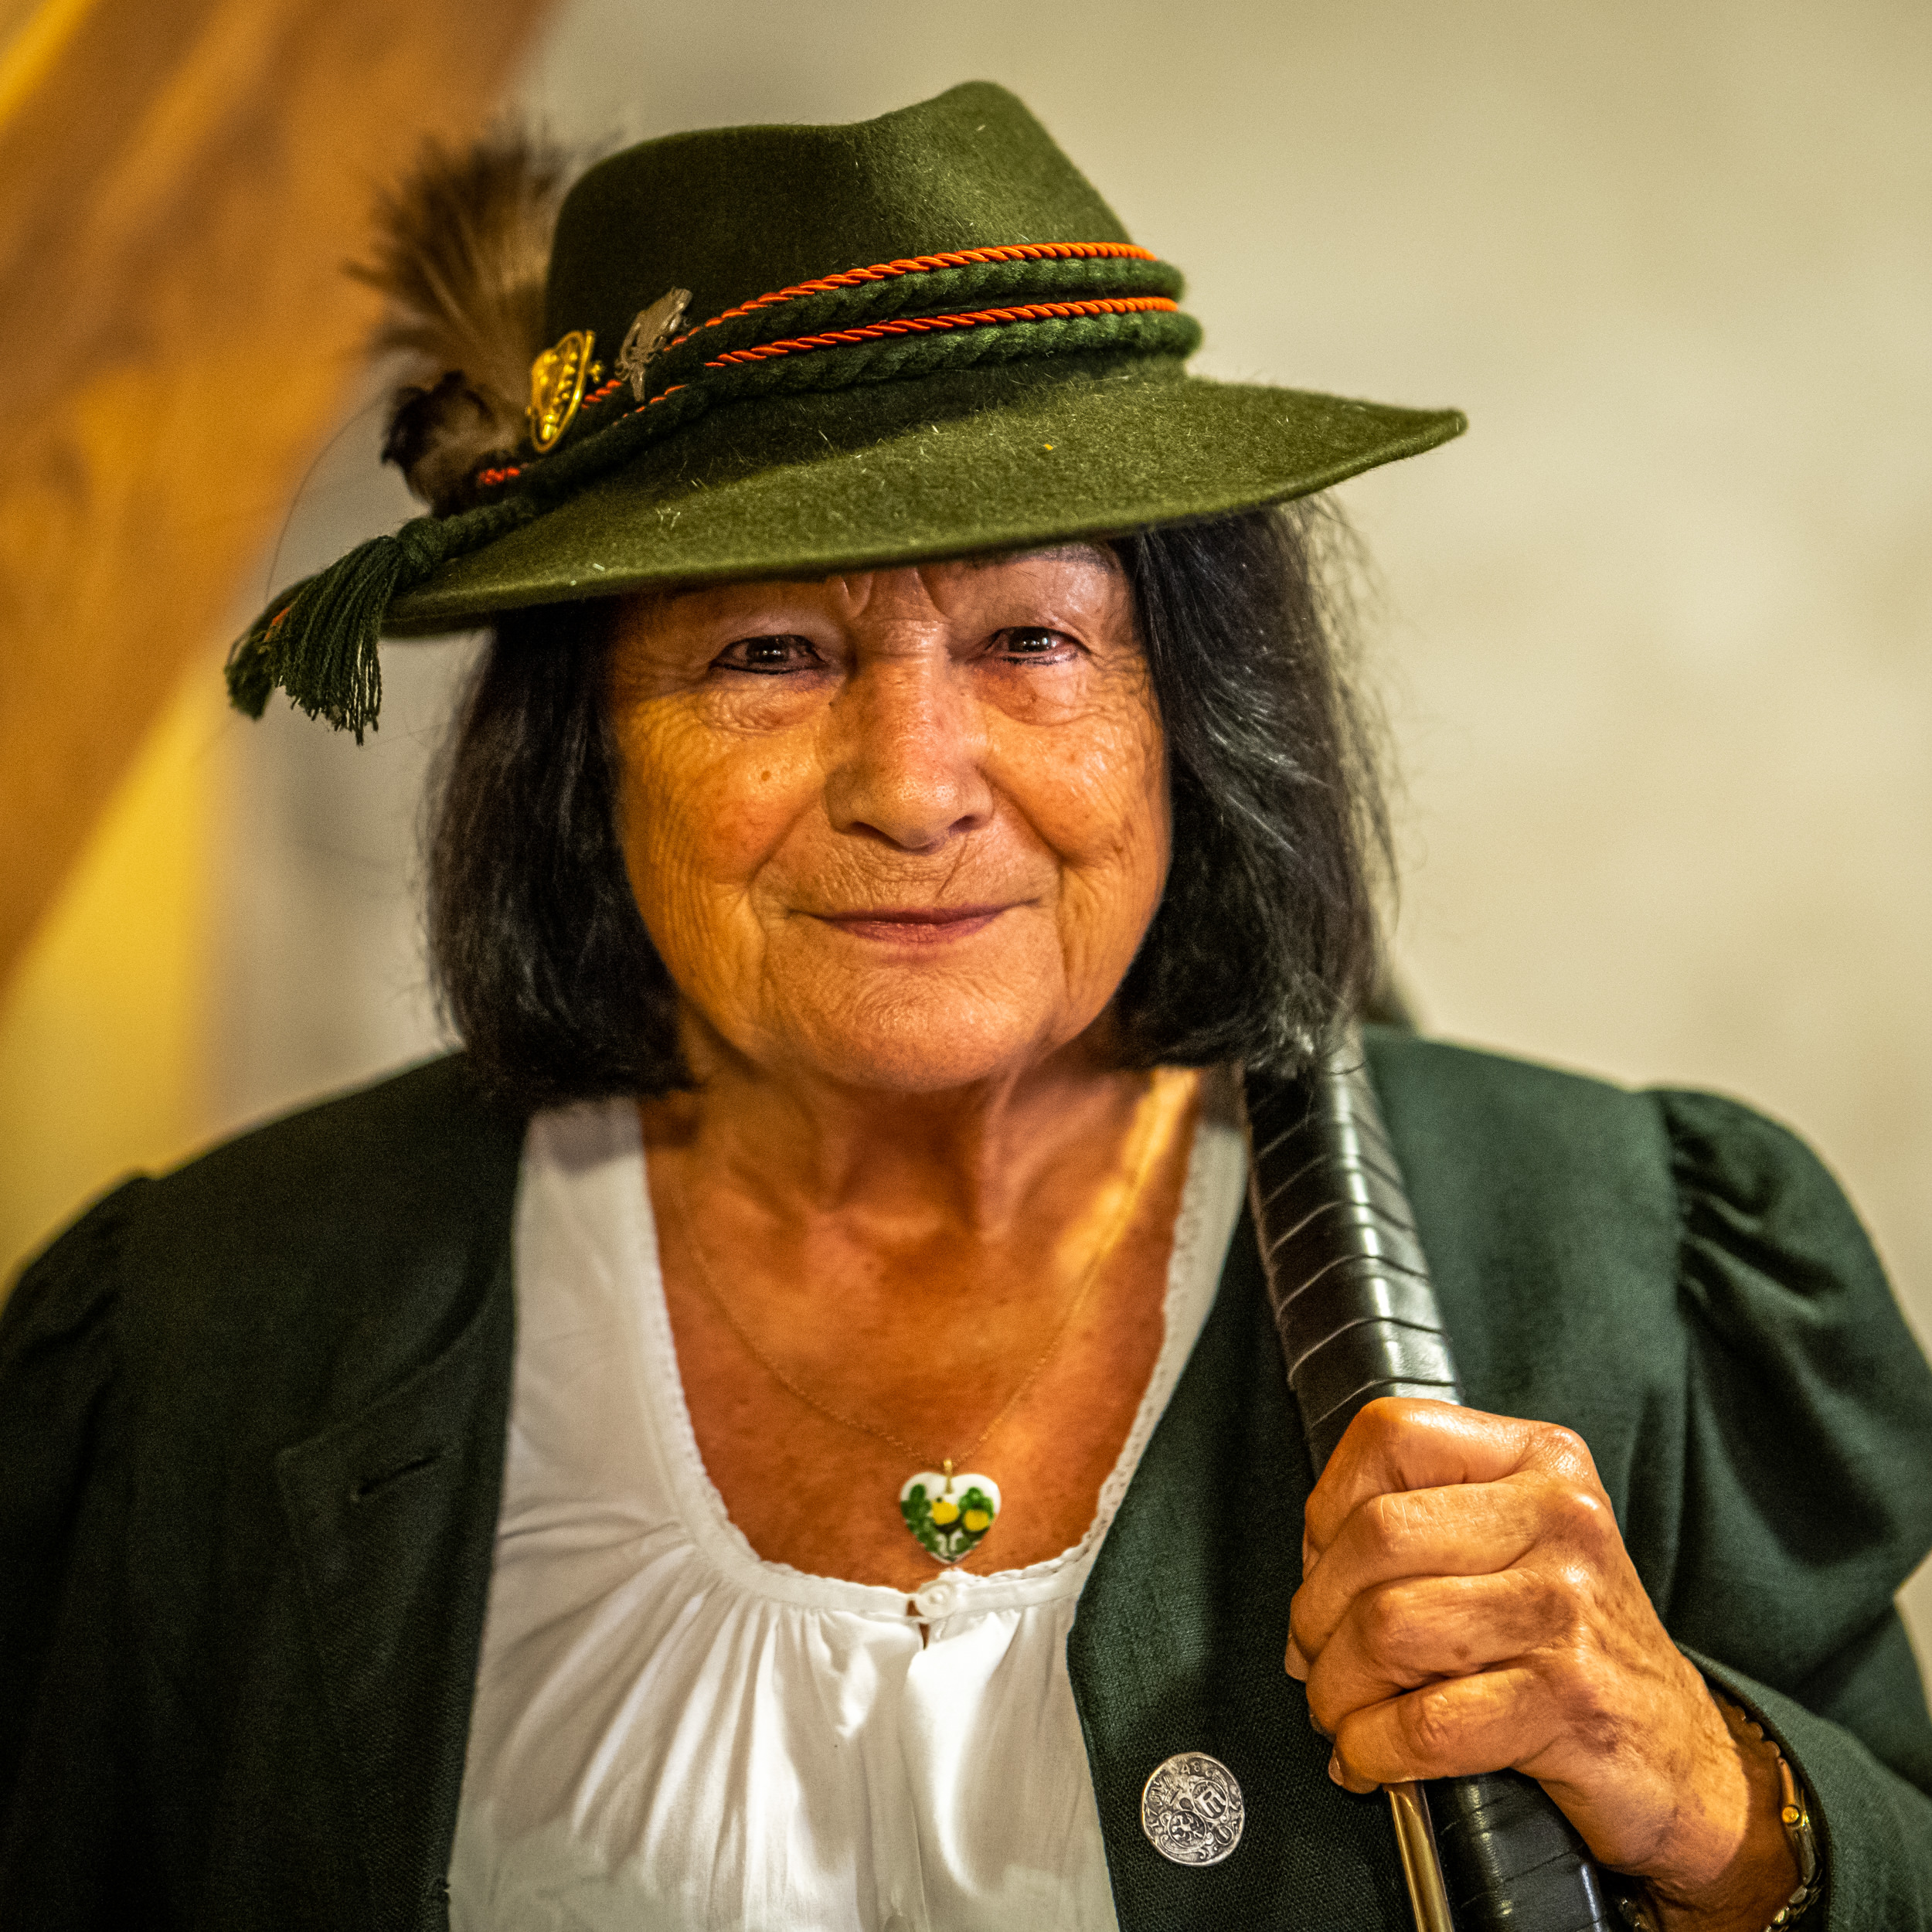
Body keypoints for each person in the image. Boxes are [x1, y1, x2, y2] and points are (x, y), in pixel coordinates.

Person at [2, 80, 1927, 1932]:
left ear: (1190, 714)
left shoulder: (1618, 1262)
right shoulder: (213, 1337)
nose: (914, 786)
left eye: (1028, 638)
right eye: (766, 653)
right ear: (582, 756)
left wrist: (1724, 1810)